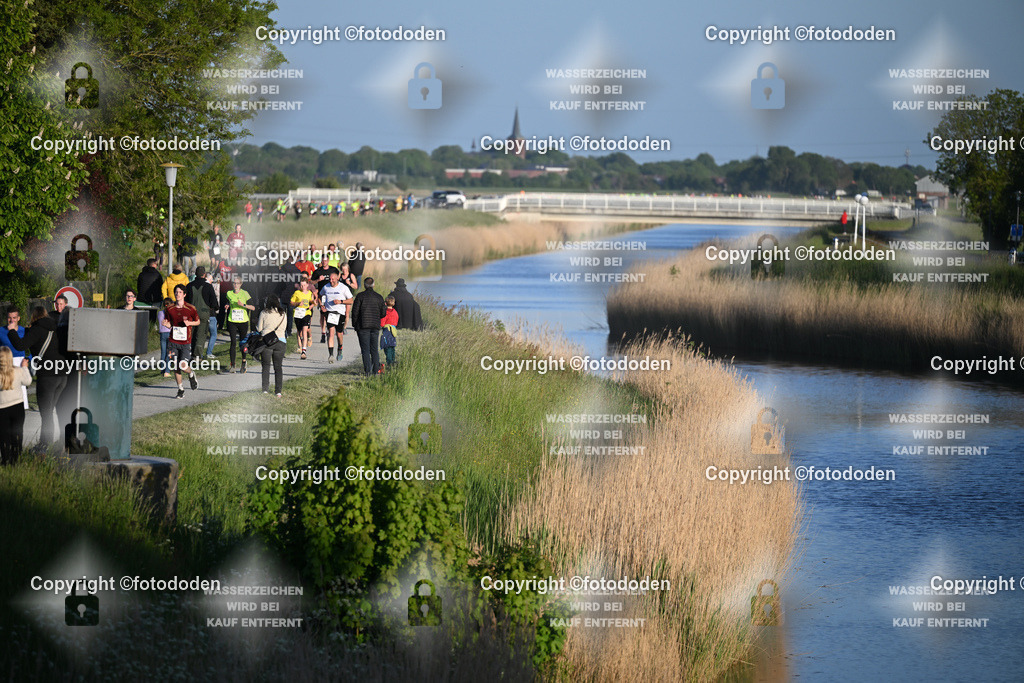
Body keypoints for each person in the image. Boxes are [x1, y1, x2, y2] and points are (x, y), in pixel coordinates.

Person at [7, 306, 64, 446]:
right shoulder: (55, 328)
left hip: (48, 377)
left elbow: (21, 345)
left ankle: (44, 445)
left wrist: (12, 332)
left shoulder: (37, 330)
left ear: (33, 317)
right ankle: (59, 442)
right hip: (62, 376)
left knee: (46, 413)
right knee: (51, 411)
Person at [162, 284, 201, 399]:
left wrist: (190, 323)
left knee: (183, 366)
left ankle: (191, 373)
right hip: (173, 341)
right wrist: (166, 324)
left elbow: (197, 322)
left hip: (185, 342)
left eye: (179, 292)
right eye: (176, 292)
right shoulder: (170, 309)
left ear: (184, 294)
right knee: (176, 366)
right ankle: (180, 389)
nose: (177, 294)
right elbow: (170, 325)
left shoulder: (190, 308)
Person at [0, 347, 31, 465]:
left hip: (2, 408)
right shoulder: (17, 371)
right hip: (17, 407)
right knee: (17, 434)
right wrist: (25, 367)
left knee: (4, 436)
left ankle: (5, 460)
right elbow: (28, 381)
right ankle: (16, 460)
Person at [351, 277, 386, 376]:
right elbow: (383, 313)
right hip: (375, 326)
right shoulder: (379, 297)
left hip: (362, 326)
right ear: (373, 285)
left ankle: (367, 371)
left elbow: (355, 312)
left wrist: (355, 325)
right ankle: (375, 370)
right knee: (374, 349)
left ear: (365, 285)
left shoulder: (360, 296)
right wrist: (376, 316)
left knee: (365, 350)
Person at [256, 295, 287, 397]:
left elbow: (260, 329)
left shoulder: (264, 313)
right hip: (281, 341)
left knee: (266, 366)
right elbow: (284, 328)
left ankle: (265, 389)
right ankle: (278, 392)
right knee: (278, 367)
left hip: (267, 342)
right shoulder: (283, 313)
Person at [319, 270, 353, 364]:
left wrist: (341, 302)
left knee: (339, 334)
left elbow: (351, 300)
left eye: (333, 279)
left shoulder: (343, 288)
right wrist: (322, 305)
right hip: (330, 313)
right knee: (331, 333)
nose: (331, 281)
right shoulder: (326, 287)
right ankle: (331, 355)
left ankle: (340, 349)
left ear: (337, 278)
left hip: (340, 313)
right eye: (330, 279)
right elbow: (320, 296)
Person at [224, 275, 255, 373]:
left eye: (237, 283)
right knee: (233, 342)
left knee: (243, 343)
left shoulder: (245, 294)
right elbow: (227, 302)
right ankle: (232, 365)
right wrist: (227, 306)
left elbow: (253, 307)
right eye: (234, 283)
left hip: (243, 322)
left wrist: (244, 305)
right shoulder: (229, 293)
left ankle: (243, 362)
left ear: (241, 284)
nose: (235, 285)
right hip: (232, 320)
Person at [185, 266, 218, 359]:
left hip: (191, 314)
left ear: (195, 274)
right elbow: (214, 303)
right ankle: (197, 356)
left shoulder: (189, 285)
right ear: (204, 275)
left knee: (191, 335)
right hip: (204, 314)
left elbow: (185, 301)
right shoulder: (208, 286)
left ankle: (190, 354)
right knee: (201, 335)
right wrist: (214, 308)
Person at [290, 277, 316, 360]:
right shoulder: (296, 293)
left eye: (304, 285)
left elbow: (311, 301)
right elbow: (291, 302)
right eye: (301, 285)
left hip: (306, 313)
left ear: (307, 285)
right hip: (298, 314)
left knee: (305, 330)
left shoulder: (309, 293)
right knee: (299, 332)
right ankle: (300, 346)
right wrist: (298, 303)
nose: (302, 287)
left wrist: (313, 303)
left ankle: (304, 351)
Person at [156, 297, 173, 377]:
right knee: (169, 353)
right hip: (170, 333)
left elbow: (160, 323)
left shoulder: (160, 313)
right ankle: (167, 370)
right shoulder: (171, 314)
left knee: (163, 352)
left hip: (162, 333)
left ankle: (162, 370)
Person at [380, 296, 398, 369]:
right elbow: (396, 321)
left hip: (387, 331)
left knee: (387, 347)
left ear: (385, 303)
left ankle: (389, 363)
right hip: (393, 331)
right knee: (392, 346)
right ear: (393, 303)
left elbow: (382, 323)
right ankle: (393, 362)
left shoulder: (385, 312)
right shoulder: (395, 312)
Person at [339, 262, 357, 327]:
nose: (344, 271)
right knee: (340, 312)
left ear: (348, 269)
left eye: (346, 269)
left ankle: (345, 327)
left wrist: (349, 283)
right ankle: (339, 325)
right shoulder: (340, 275)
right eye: (343, 269)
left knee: (346, 313)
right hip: (340, 296)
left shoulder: (351, 275)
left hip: (348, 297)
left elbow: (356, 286)